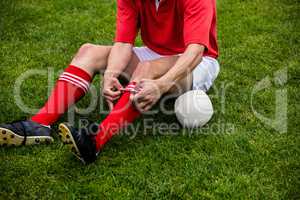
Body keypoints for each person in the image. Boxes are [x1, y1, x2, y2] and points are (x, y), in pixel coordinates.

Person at [0, 0, 220, 164]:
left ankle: (94, 142)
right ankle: (39, 123)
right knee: (89, 52)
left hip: (198, 62)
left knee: (147, 69)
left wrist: (161, 84)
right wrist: (111, 73)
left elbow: (196, 51)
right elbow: (123, 42)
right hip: (155, 52)